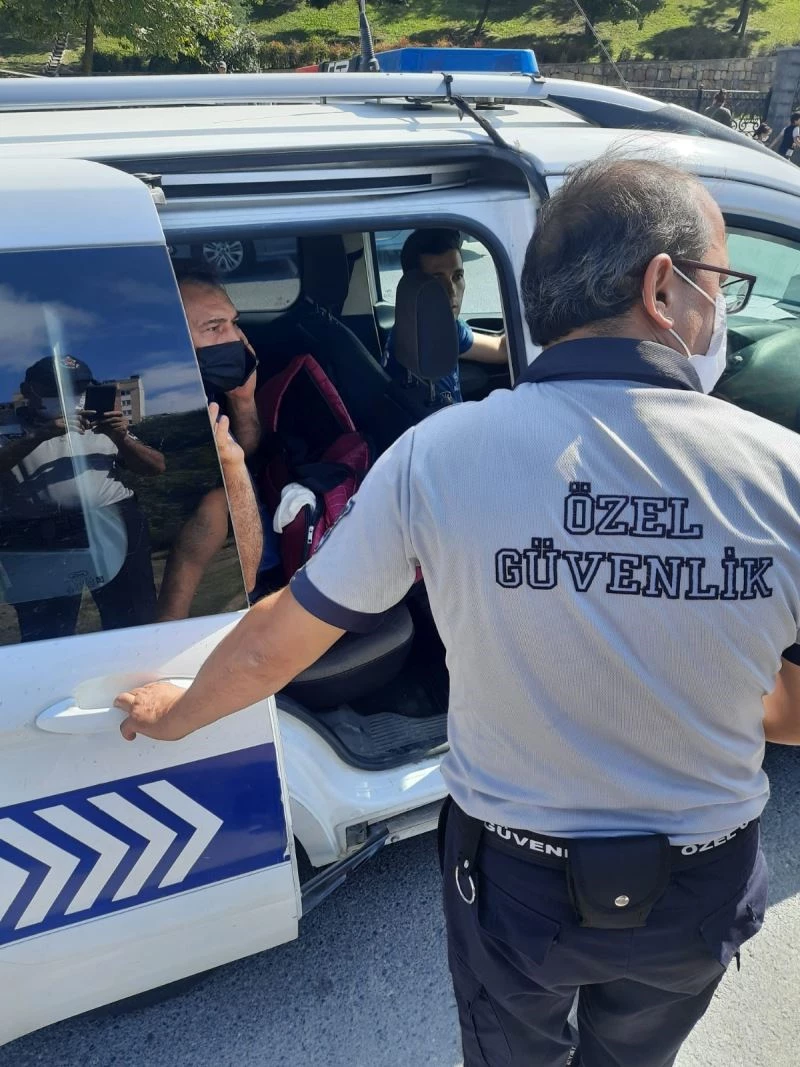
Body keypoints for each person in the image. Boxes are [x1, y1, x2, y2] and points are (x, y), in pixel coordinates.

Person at [115, 157, 800, 1067]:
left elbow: (280, 636)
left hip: (515, 881)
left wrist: (177, 714)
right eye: (722, 283)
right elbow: (792, 715)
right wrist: (705, 674)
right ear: (664, 287)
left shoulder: (436, 456)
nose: (724, 311)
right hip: (699, 886)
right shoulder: (786, 473)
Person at [0, 355, 165, 640]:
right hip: (39, 537)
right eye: (55, 388)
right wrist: (39, 436)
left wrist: (121, 437)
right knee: (47, 631)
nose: (68, 395)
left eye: (77, 388)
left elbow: (156, 467)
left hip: (112, 522)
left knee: (133, 619)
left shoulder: (99, 423)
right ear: (28, 391)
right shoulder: (6, 426)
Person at [155, 273, 273, 620]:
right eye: (214, 327)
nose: (233, 338)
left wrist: (243, 400)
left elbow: (246, 449)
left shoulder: (212, 380)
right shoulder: (163, 402)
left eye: (234, 323)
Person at [383, 229, 508, 405]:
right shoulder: (417, 348)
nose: (452, 291)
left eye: (457, 276)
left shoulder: (442, 326)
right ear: (414, 287)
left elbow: (500, 349)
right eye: (437, 280)